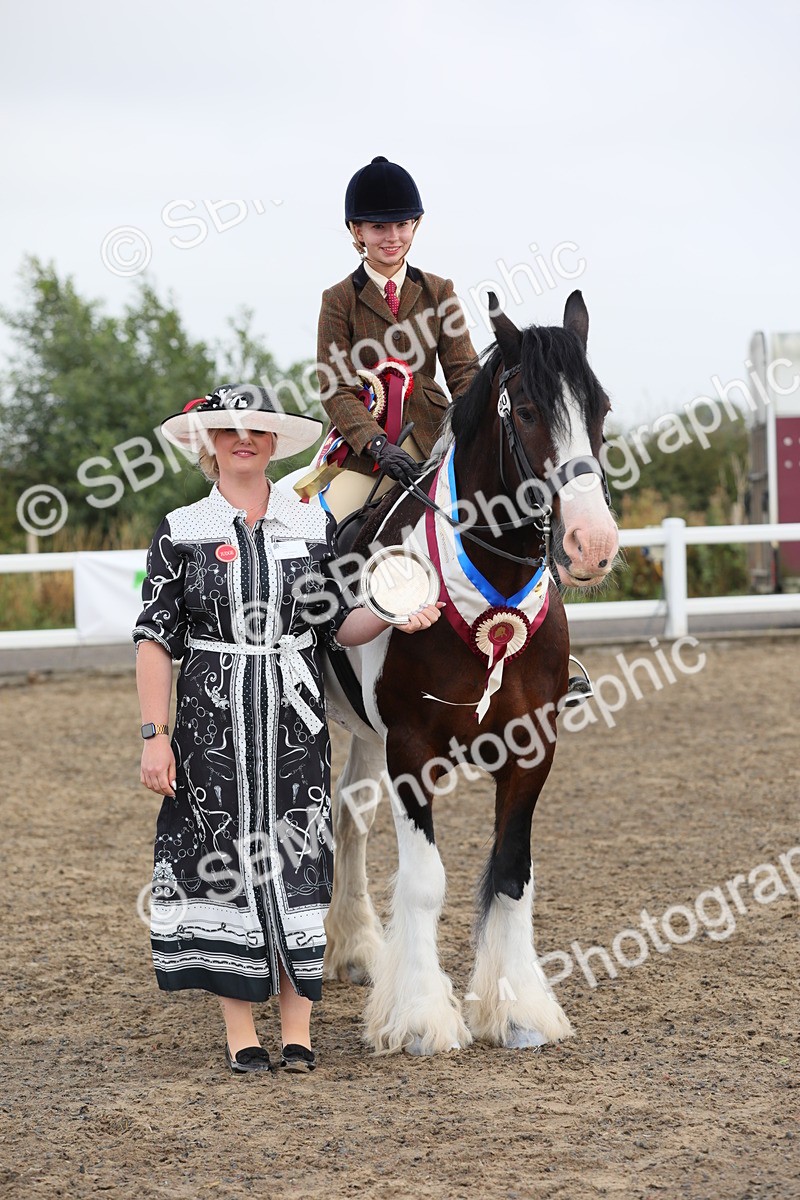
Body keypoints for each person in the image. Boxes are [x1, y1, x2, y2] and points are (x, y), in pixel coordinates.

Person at [133, 384, 442, 1076]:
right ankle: (241, 1031)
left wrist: (392, 608)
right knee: (225, 863)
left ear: (275, 445)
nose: (245, 439)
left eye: (258, 431)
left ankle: (298, 1029)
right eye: (230, 430)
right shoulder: (181, 529)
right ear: (209, 445)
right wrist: (156, 734)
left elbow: (339, 624)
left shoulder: (312, 524)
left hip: (294, 724)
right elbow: (155, 640)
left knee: (299, 863)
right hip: (211, 725)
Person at [310, 155, 480, 518]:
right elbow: (334, 388)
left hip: (436, 438)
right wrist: (376, 443)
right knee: (330, 524)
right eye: (378, 227)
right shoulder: (339, 299)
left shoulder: (439, 292)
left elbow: (465, 373)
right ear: (357, 231)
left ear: (415, 224)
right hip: (367, 452)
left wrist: (475, 430)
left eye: (402, 225)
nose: (392, 238)